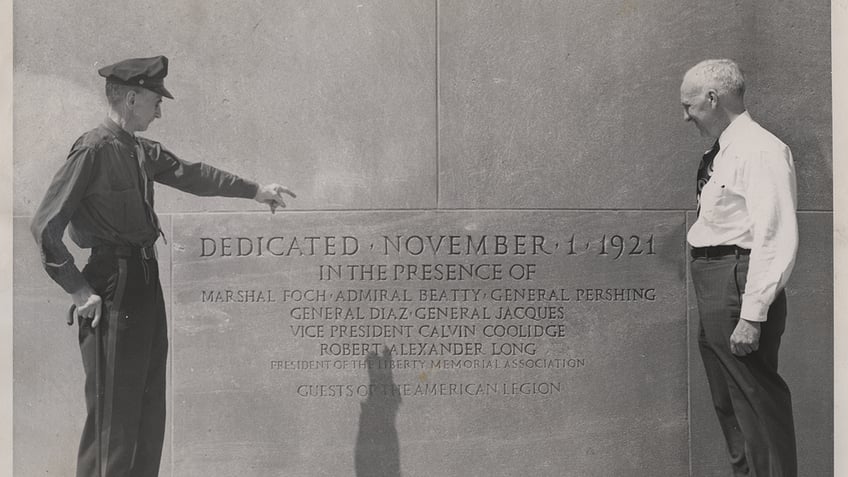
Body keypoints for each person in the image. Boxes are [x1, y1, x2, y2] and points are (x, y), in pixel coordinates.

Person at [30, 55, 296, 477]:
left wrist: (256, 190)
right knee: (114, 425)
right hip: (113, 285)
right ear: (131, 97)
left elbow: (193, 175)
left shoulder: (139, 149)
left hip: (145, 284)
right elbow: (45, 225)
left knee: (147, 418)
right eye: (156, 99)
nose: (160, 109)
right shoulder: (93, 149)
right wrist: (79, 290)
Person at [681, 59, 798, 476]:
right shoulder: (724, 151)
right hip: (716, 282)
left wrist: (752, 314)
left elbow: (775, 233)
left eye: (689, 105)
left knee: (756, 402)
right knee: (729, 403)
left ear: (713, 99)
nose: (686, 116)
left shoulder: (759, 149)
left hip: (737, 283)